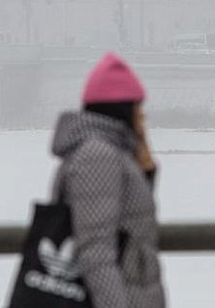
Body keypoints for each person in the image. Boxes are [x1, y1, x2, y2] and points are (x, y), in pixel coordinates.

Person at [50, 52, 165, 308]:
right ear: (123, 109)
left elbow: (128, 223)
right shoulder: (97, 155)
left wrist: (145, 171)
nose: (142, 117)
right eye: (138, 108)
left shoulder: (112, 153)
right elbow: (96, 251)